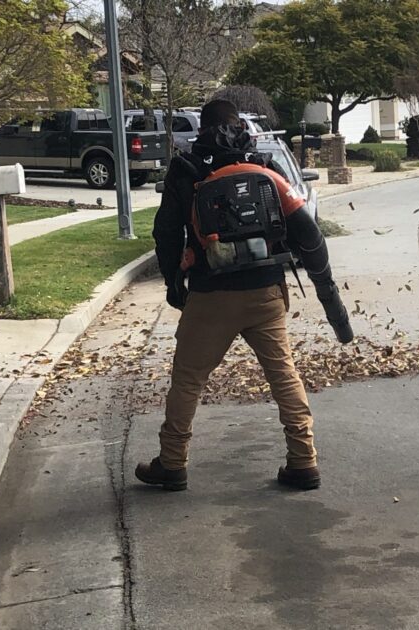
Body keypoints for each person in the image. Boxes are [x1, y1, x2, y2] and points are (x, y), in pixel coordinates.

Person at [137, 100, 345, 492]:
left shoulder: (185, 169)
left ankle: (172, 463)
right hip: (265, 292)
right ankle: (303, 460)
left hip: (210, 294)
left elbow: (166, 233)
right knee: (283, 374)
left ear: (202, 129)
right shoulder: (263, 165)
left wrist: (174, 284)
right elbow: (308, 233)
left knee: (188, 379)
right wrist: (326, 287)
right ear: (241, 127)